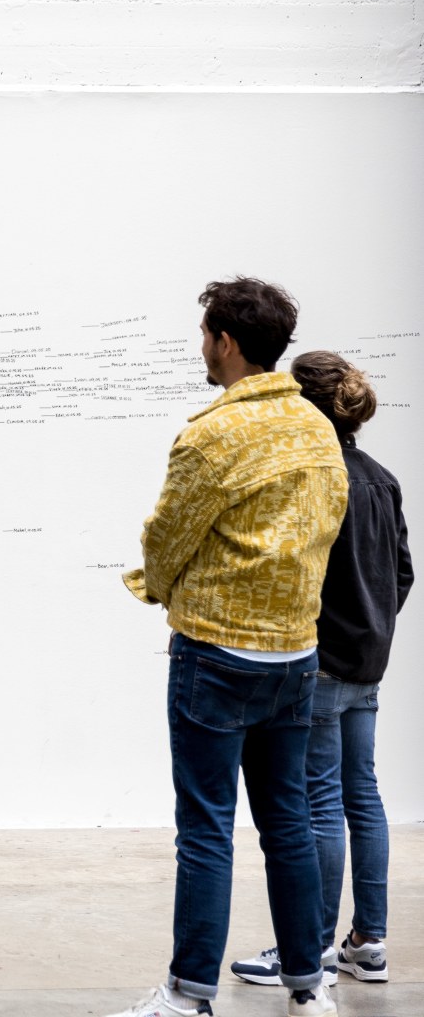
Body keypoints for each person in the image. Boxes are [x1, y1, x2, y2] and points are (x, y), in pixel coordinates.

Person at [109, 279, 348, 1017]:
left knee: (206, 828)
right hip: (294, 657)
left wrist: (152, 586)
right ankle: (309, 989)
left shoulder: (211, 434)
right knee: (289, 824)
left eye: (206, 332)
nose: (202, 345)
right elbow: (327, 525)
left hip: (215, 653)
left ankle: (188, 995)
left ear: (228, 343)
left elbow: (167, 538)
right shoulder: (315, 429)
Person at [231, 352, 411, 988]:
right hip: (369, 661)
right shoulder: (383, 478)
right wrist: (377, 627)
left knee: (319, 804)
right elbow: (403, 573)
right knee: (363, 794)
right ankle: (369, 943)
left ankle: (309, 949)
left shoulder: (315, 475)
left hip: (323, 661)